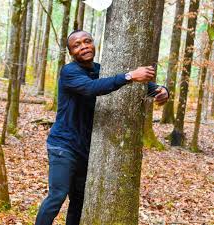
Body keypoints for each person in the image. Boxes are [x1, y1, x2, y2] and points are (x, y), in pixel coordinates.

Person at [35, 30, 169, 225]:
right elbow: (93, 88)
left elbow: (141, 84)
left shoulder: (101, 69)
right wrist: (130, 75)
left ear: (93, 44)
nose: (84, 46)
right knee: (57, 195)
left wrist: (162, 90)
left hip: (86, 150)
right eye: (77, 45)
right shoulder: (69, 72)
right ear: (71, 52)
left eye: (87, 41)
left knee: (79, 200)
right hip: (63, 147)